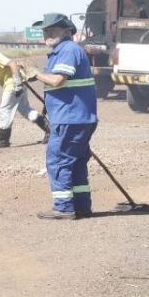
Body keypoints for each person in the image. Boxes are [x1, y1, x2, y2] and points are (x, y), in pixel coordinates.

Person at [27, 13, 99, 220]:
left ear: (67, 31)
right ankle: (81, 206)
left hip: (70, 119)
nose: (48, 34)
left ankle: (64, 207)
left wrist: (34, 73)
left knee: (58, 162)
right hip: (77, 118)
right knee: (75, 163)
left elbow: (57, 80)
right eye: (46, 31)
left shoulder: (68, 50)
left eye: (53, 29)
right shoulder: (64, 51)